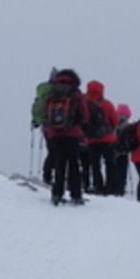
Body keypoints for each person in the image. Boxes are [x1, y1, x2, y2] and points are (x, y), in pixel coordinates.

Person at [42, 68, 90, 205]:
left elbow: (45, 111)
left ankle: (57, 194)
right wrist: (81, 124)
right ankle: (76, 195)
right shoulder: (75, 92)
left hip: (54, 133)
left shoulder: (51, 91)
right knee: (73, 163)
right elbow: (85, 115)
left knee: (59, 162)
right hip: (72, 132)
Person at [82, 80, 118, 195]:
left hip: (90, 139)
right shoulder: (106, 104)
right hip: (107, 138)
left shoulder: (84, 103)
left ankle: (98, 186)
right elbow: (115, 121)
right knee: (109, 163)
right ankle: (110, 187)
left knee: (95, 164)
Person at [110, 103, 132, 196]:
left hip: (113, 150)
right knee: (123, 171)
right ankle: (121, 189)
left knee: (113, 169)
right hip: (123, 151)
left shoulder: (113, 124)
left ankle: (113, 188)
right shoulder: (127, 125)